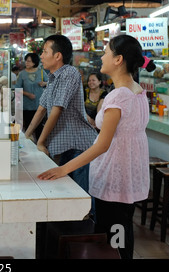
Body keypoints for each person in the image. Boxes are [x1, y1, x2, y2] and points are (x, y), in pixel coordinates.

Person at [38, 34, 156, 259]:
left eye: (106, 52)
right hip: (128, 175)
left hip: (114, 178)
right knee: (120, 232)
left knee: (113, 238)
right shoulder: (138, 92)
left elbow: (102, 145)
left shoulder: (118, 96)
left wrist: (63, 169)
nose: (102, 57)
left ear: (118, 59)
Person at [25, 35, 98, 196]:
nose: (41, 56)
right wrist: (26, 136)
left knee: (81, 197)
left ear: (57, 56)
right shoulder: (52, 78)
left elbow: (56, 110)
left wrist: (41, 142)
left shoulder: (69, 73)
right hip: (65, 147)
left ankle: (89, 220)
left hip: (78, 146)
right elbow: (42, 109)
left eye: (45, 52)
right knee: (67, 193)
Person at [15, 52, 48, 140]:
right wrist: (27, 94)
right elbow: (17, 88)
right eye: (26, 61)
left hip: (39, 105)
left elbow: (49, 83)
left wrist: (44, 83)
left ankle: (39, 145)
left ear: (34, 62)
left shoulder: (41, 72)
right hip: (26, 106)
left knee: (39, 128)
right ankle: (30, 145)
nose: (26, 63)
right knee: (29, 126)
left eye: (29, 61)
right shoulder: (22, 74)